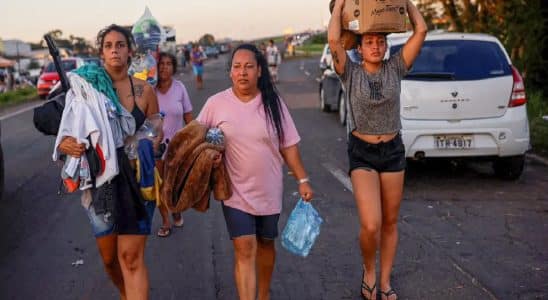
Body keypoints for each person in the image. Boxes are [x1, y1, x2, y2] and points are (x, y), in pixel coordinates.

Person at [197, 44, 313, 300]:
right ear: (230, 73)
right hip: (234, 191)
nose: (242, 72)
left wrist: (303, 179)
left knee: (265, 244)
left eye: (249, 66)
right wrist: (209, 156)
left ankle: (264, 294)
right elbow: (196, 139)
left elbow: (289, 146)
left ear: (259, 70)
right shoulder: (216, 104)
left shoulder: (273, 103)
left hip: (269, 191)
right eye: (237, 67)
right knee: (244, 248)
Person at [328, 1, 427, 299]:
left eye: (380, 42)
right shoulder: (351, 72)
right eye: (369, 42)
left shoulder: (396, 67)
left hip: (393, 151)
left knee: (390, 222)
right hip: (363, 153)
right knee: (371, 224)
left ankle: (384, 282)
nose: (375, 46)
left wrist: (403, 4)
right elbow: (334, 40)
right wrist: (341, 6)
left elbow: (421, 29)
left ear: (386, 46)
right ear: (359, 48)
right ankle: (368, 270)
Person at [57, 24, 161, 300]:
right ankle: (126, 292)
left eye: (120, 45)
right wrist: (65, 142)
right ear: (101, 53)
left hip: (138, 181)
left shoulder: (145, 90)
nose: (114, 50)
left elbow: (155, 124)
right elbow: (62, 123)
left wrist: (153, 141)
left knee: (130, 257)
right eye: (108, 45)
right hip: (101, 184)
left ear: (130, 51)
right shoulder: (85, 89)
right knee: (109, 259)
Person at [155, 51, 194, 237]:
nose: (164, 67)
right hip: (156, 146)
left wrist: (195, 140)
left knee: (175, 184)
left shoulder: (180, 88)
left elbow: (188, 117)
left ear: (174, 67)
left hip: (177, 147)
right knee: (160, 185)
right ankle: (165, 221)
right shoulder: (149, 89)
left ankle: (176, 208)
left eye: (169, 64)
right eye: (161, 63)